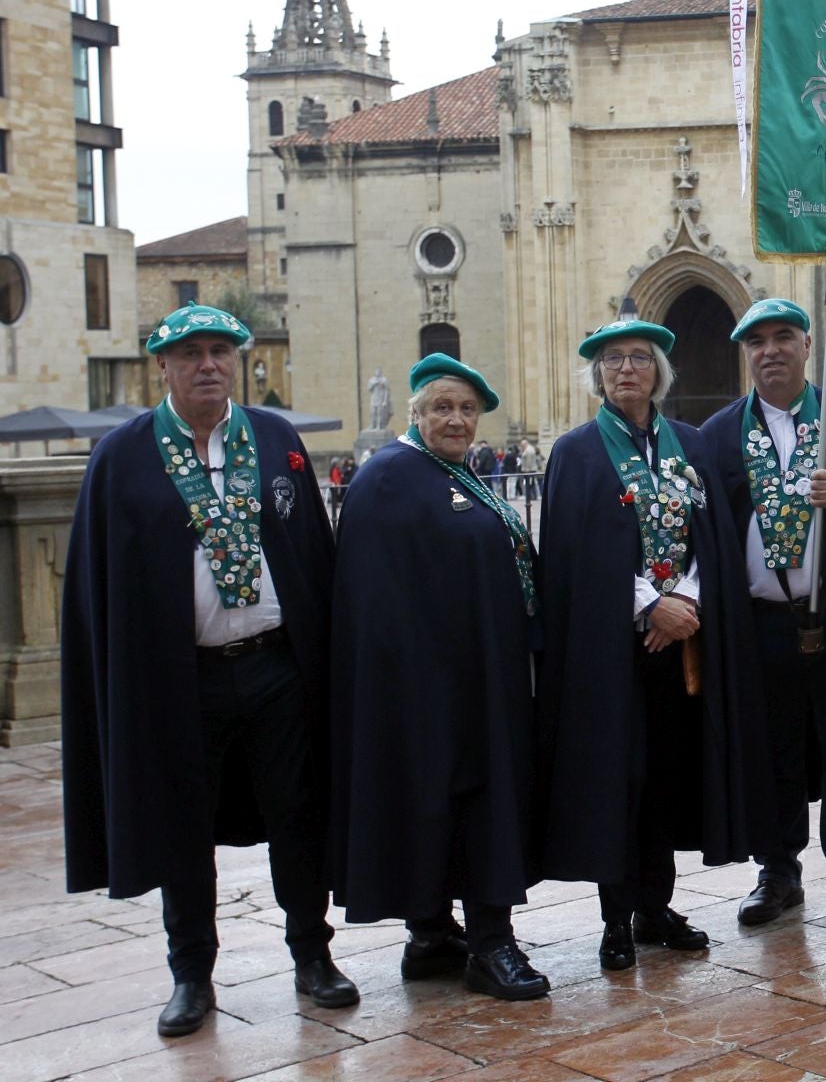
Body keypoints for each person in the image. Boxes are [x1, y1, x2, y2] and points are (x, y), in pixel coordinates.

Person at [61, 303, 356, 1038]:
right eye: (190, 353)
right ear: (161, 365)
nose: (208, 365)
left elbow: (312, 555)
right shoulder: (124, 455)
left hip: (275, 668)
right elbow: (100, 583)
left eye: (220, 351)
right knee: (180, 827)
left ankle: (311, 956)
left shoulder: (276, 438)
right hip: (177, 679)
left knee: (298, 814)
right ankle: (191, 974)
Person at [537, 318, 773, 968]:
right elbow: (573, 557)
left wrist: (689, 601)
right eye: (613, 359)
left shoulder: (690, 445)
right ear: (599, 374)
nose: (626, 369)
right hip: (610, 652)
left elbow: (712, 535)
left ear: (658, 372)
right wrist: (649, 605)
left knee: (669, 775)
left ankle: (655, 907)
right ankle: (617, 916)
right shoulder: (577, 452)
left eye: (639, 358)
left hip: (683, 648)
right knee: (622, 776)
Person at [330, 353, 549, 1000]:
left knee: (461, 798)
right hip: (435, 687)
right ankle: (488, 943)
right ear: (414, 413)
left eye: (466, 410)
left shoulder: (456, 472)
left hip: (478, 675)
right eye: (442, 408)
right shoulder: (390, 478)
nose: (456, 419)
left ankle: (431, 936)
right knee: (462, 799)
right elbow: (377, 595)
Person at [699, 298, 826, 939]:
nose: (770, 351)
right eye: (756, 341)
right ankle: (779, 872)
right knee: (772, 751)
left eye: (783, 337)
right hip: (760, 622)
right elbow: (705, 525)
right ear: (746, 353)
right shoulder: (719, 434)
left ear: (807, 345)